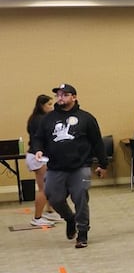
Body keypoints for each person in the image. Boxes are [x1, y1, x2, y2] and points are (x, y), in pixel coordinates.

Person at [28, 83, 108, 248]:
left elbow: (97, 142)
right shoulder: (48, 119)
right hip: (56, 168)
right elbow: (38, 138)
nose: (60, 98)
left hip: (80, 167)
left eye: (65, 94)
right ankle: (69, 218)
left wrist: (103, 163)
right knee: (54, 197)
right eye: (58, 95)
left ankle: (83, 232)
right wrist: (38, 150)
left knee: (80, 198)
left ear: (74, 97)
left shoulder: (86, 118)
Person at [25, 94, 63, 228]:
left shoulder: (38, 118)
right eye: (49, 105)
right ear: (42, 105)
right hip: (37, 157)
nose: (51, 107)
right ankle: (37, 218)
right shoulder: (39, 120)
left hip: (40, 156)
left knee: (50, 186)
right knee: (44, 189)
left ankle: (50, 211)